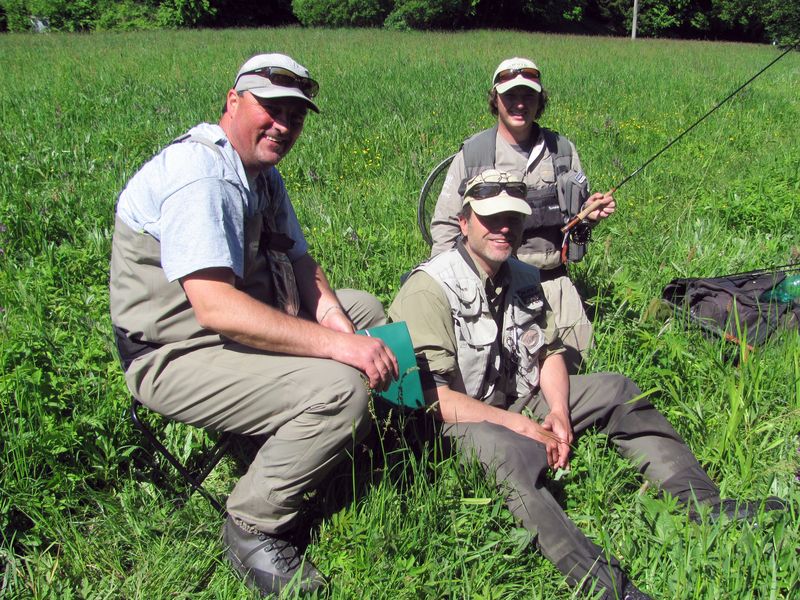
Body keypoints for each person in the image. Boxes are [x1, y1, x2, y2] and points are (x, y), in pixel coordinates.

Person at [391, 169, 785, 600]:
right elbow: (432, 398)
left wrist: (559, 411)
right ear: (464, 222)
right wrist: (519, 426)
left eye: (513, 218)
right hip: (458, 420)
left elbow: (549, 353)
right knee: (506, 452)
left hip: (519, 398)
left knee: (616, 389)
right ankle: (605, 583)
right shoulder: (430, 288)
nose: (504, 228)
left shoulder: (523, 275)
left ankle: (702, 504)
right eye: (491, 218)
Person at [109, 53, 398, 597]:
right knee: (342, 389)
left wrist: (340, 327)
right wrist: (339, 350)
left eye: (296, 115)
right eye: (272, 109)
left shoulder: (261, 175)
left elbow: (302, 263)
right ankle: (252, 525)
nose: (284, 125)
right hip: (175, 351)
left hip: (234, 325)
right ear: (233, 101)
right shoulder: (202, 175)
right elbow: (217, 309)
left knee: (365, 311)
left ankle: (364, 439)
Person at [430, 56, 616, 372]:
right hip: (493, 287)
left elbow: (575, 226)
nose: (520, 104)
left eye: (528, 96)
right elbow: (446, 225)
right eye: (510, 96)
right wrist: (447, 291)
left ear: (540, 101)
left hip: (553, 280)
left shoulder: (562, 150)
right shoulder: (474, 154)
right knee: (495, 374)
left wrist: (589, 217)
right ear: (496, 100)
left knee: (580, 367)